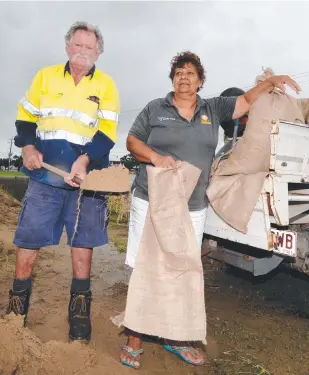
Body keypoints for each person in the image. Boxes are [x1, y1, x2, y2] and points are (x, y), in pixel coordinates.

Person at [120, 51, 300, 369]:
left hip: (192, 204)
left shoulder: (213, 108)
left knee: (184, 269)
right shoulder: (154, 108)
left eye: (190, 72)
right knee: (143, 266)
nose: (184, 77)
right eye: (178, 72)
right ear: (172, 79)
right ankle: (134, 337)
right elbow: (132, 141)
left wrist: (270, 81)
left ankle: (176, 337)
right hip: (151, 198)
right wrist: (155, 157)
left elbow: (244, 102)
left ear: (201, 80)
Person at [6, 21, 120, 342]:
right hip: (44, 178)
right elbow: (25, 117)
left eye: (90, 47)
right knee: (27, 243)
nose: (83, 52)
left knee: (82, 249)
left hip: (87, 183)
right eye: (77, 46)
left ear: (98, 52)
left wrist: (84, 161)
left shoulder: (107, 86)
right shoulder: (45, 77)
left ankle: (79, 327)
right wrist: (28, 147)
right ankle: (14, 319)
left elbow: (107, 134)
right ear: (67, 47)